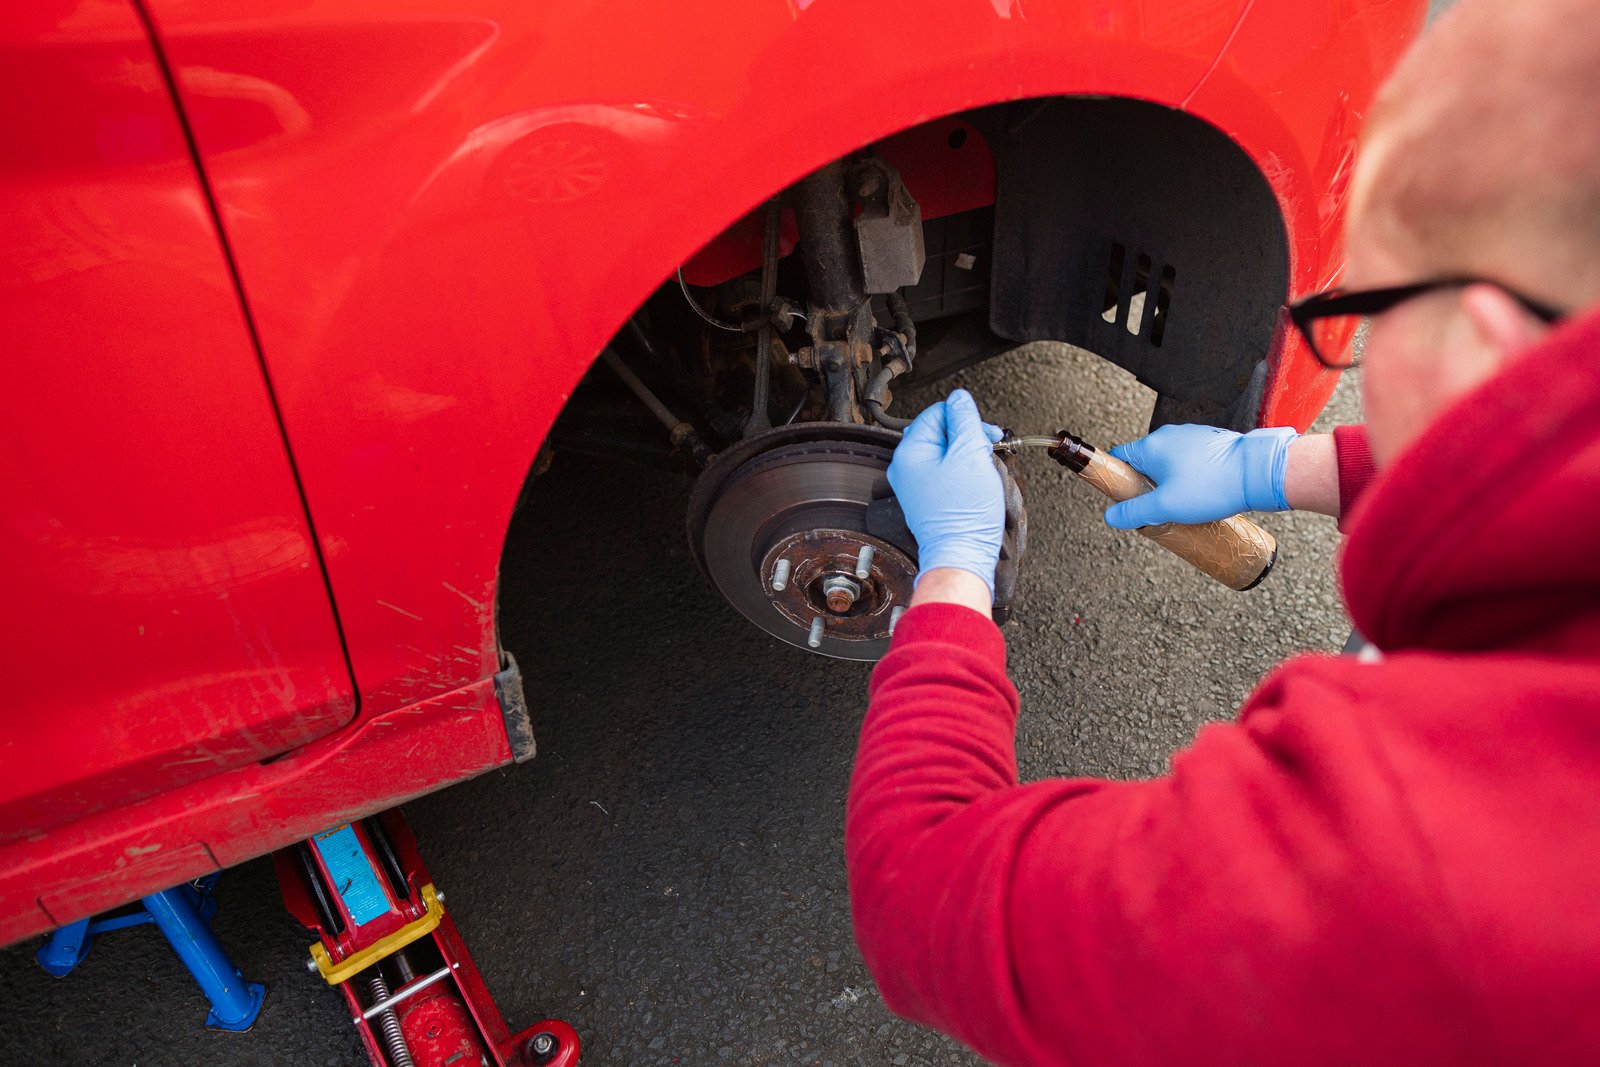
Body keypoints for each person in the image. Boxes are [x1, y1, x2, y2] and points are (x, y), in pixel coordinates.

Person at [845, 1, 1600, 1063]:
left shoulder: (1407, 855)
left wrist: (954, 578)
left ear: (1482, 342)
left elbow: (922, 895)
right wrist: (1294, 464)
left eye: (1367, 318)